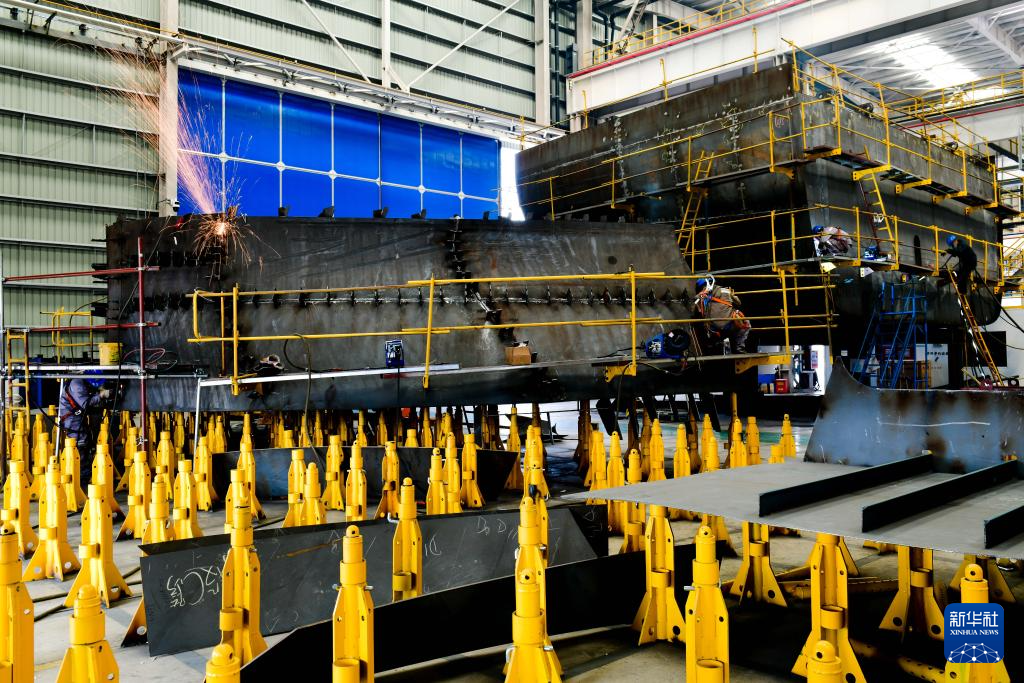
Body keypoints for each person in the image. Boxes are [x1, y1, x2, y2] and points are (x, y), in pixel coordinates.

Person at [59, 372, 110, 483]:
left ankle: (84, 471)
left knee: (86, 440)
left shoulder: (83, 382)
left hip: (78, 416)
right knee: (80, 442)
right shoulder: (77, 384)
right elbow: (85, 403)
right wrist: (101, 395)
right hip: (72, 419)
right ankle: (82, 476)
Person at [693, 276, 750, 353]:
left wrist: (698, 296)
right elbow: (738, 302)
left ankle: (714, 346)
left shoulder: (701, 296)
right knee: (746, 324)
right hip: (730, 325)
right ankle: (739, 347)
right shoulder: (725, 290)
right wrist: (731, 295)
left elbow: (694, 305)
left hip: (713, 329)